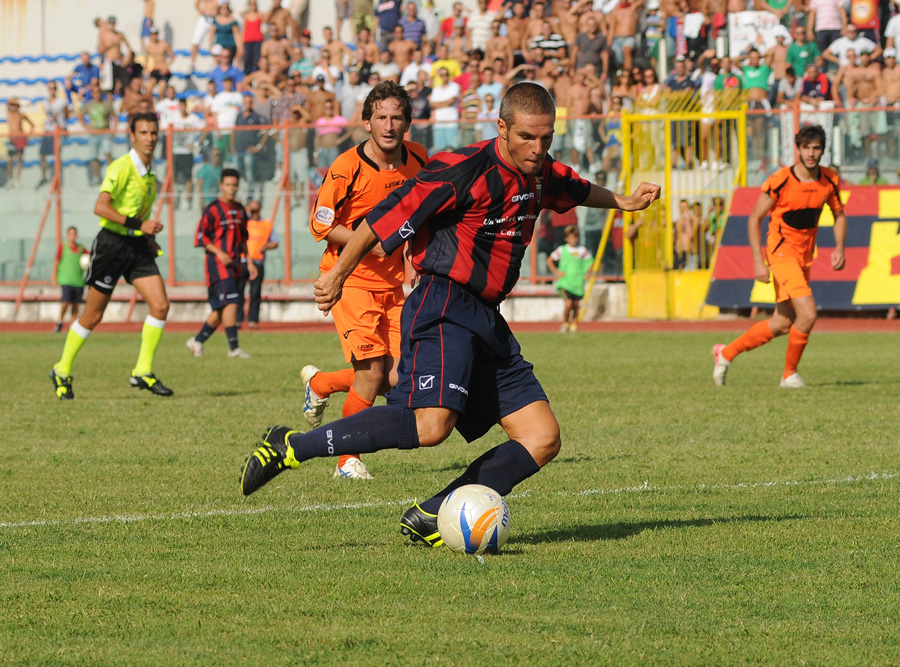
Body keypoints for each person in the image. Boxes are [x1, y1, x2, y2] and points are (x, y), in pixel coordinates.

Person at [238, 83, 660, 551]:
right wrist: (338, 274)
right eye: (526, 137)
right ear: (502, 128)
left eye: (546, 138)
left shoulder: (541, 171)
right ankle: (291, 446)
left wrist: (624, 201)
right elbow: (379, 221)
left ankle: (431, 514)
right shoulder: (460, 169)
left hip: (488, 318)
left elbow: (575, 188)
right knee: (431, 425)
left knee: (542, 437)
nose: (537, 148)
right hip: (445, 304)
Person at [300, 81, 427, 480]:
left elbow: (422, 213)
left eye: (396, 117)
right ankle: (346, 461)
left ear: (407, 123)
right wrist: (367, 241)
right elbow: (320, 224)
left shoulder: (419, 159)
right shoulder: (346, 167)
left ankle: (321, 383)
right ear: (367, 122)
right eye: (381, 117)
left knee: (396, 377)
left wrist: (415, 259)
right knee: (371, 374)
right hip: (349, 279)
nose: (389, 125)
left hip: (392, 286)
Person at [50, 112, 174, 400]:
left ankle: (142, 371)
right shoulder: (122, 167)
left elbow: (137, 213)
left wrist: (147, 236)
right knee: (93, 315)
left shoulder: (150, 172)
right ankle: (62, 369)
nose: (150, 138)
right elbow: (101, 207)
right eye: (143, 132)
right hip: (111, 246)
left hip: (137, 245)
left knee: (160, 306)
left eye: (153, 133)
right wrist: (139, 224)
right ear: (132, 135)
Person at [712, 125, 845, 389]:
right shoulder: (781, 180)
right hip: (781, 253)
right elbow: (754, 219)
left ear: (822, 150)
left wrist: (839, 247)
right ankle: (789, 375)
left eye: (816, 148)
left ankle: (725, 353)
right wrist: (758, 261)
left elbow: (839, 214)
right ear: (798, 149)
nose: (811, 153)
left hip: (804, 256)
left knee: (782, 322)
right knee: (807, 313)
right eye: (806, 147)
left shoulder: (829, 179)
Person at [186, 168, 256, 359]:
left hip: (235, 264)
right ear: (221, 186)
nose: (231, 189)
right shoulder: (212, 209)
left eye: (235, 185)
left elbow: (243, 239)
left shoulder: (240, 209)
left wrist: (250, 261)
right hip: (217, 265)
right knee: (232, 302)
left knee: (221, 308)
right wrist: (219, 252)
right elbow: (201, 237)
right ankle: (234, 348)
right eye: (228, 185)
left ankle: (197, 341)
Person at [236, 200, 278, 329]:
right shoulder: (243, 223)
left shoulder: (267, 224)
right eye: (251, 210)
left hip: (258, 262)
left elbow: (275, 242)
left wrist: (266, 247)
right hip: (243, 261)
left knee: (255, 292)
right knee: (239, 291)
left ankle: (253, 320)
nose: (253, 213)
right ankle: (237, 320)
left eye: (256, 210)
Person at [547, 224, 594, 333]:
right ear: (566, 238)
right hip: (566, 281)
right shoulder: (562, 250)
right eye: (571, 238)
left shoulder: (582, 250)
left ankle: (574, 323)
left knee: (576, 304)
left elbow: (591, 261)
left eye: (575, 237)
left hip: (577, 281)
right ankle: (565, 322)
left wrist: (587, 273)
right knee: (569, 303)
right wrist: (556, 272)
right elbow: (549, 261)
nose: (574, 240)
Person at [51, 226, 90, 333]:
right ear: (67, 235)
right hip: (66, 280)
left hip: (78, 280)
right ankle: (60, 321)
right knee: (65, 302)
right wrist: (54, 276)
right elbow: (56, 261)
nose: (73, 236)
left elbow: (89, 257)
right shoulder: (63, 247)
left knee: (76, 304)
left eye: (74, 234)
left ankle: (72, 326)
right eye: (71, 234)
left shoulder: (81, 248)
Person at [5, 98, 33, 189]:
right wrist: (16, 101)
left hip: (20, 139)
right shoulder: (10, 114)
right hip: (12, 139)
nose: (14, 107)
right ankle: (10, 180)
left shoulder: (21, 115)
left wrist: (29, 133)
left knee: (19, 160)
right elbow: (8, 103)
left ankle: (17, 180)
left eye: (16, 105)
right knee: (10, 160)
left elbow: (32, 124)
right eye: (13, 105)